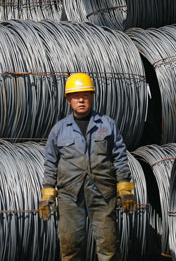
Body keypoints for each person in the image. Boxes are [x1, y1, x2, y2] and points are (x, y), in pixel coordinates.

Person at [38, 73, 137, 261]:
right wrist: (48, 193)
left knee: (108, 247)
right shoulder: (59, 130)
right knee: (70, 246)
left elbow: (120, 156)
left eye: (85, 95)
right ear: (68, 100)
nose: (81, 99)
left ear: (92, 96)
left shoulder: (107, 124)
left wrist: (124, 187)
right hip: (70, 197)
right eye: (76, 96)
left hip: (103, 194)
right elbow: (50, 162)